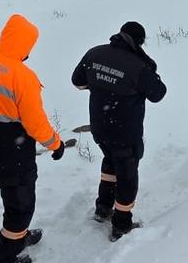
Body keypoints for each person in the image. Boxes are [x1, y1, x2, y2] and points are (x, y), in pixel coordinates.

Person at [0, 14, 76, 263]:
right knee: (20, 206)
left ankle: (19, 234)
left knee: (11, 196)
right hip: (12, 156)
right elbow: (35, 124)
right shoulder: (22, 76)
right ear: (26, 46)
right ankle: (5, 260)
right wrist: (55, 145)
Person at [71, 21, 167, 241]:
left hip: (99, 126)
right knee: (127, 174)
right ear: (140, 42)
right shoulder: (138, 65)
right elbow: (158, 93)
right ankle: (122, 224)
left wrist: (102, 86)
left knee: (110, 160)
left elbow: (77, 82)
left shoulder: (94, 53)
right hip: (125, 131)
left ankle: (103, 208)